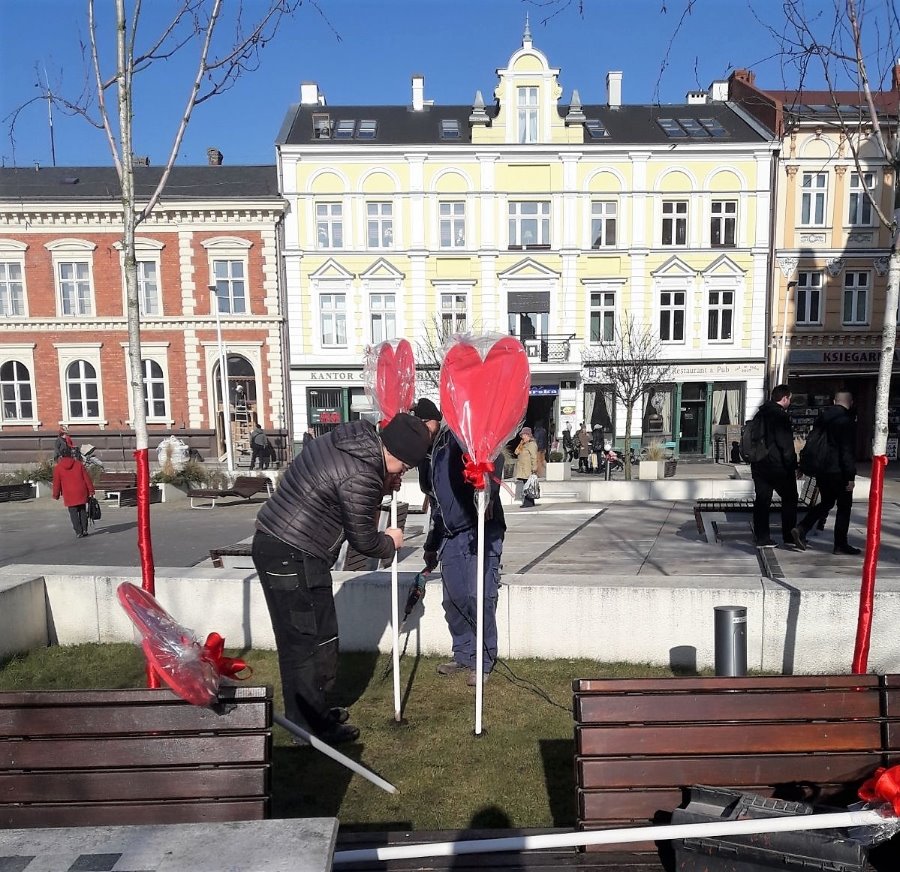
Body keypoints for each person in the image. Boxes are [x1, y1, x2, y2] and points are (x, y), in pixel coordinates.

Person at [251, 413, 431, 745]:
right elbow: (364, 539)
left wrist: (382, 479)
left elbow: (344, 495)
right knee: (309, 644)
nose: (404, 473)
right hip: (294, 554)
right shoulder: (363, 472)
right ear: (395, 453)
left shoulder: (353, 440)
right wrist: (391, 541)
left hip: (281, 545)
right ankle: (309, 730)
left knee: (307, 639)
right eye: (405, 467)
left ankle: (309, 715)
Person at [417, 403, 505, 687]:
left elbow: (496, 455)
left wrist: (489, 494)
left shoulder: (461, 435)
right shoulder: (426, 453)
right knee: (453, 599)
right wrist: (432, 544)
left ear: (435, 421)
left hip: (479, 527)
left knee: (479, 596)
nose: (420, 430)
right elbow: (436, 503)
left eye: (423, 423)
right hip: (449, 534)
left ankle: (484, 659)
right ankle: (464, 653)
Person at [791, 391, 861, 555]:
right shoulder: (846, 421)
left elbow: (811, 443)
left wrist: (803, 466)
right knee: (844, 507)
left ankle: (802, 528)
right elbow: (847, 451)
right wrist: (850, 476)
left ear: (834, 401)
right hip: (838, 470)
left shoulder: (822, 419)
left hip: (822, 470)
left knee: (827, 502)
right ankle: (840, 544)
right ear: (850, 402)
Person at [750, 384, 800, 547]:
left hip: (759, 464)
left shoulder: (760, 413)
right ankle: (789, 535)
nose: (789, 402)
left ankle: (762, 538)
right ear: (785, 398)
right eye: (789, 399)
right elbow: (785, 444)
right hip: (777, 466)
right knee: (790, 498)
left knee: (762, 501)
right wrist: (792, 464)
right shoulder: (780, 416)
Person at [52, 446, 95, 539]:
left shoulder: (58, 468)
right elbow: (86, 478)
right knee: (82, 510)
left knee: (73, 513)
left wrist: (56, 495)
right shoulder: (79, 464)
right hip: (81, 491)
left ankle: (78, 531)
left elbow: (56, 483)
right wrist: (91, 490)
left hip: (69, 493)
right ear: (71, 454)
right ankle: (84, 529)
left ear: (61, 456)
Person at [514, 426, 538, 508]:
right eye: (521, 435)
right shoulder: (523, 444)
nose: (522, 437)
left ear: (528, 435)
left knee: (528, 485)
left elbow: (534, 457)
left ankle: (528, 502)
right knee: (526, 484)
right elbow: (516, 452)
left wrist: (534, 468)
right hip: (522, 468)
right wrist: (521, 444)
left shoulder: (532, 444)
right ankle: (530, 502)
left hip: (528, 468)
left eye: (523, 435)